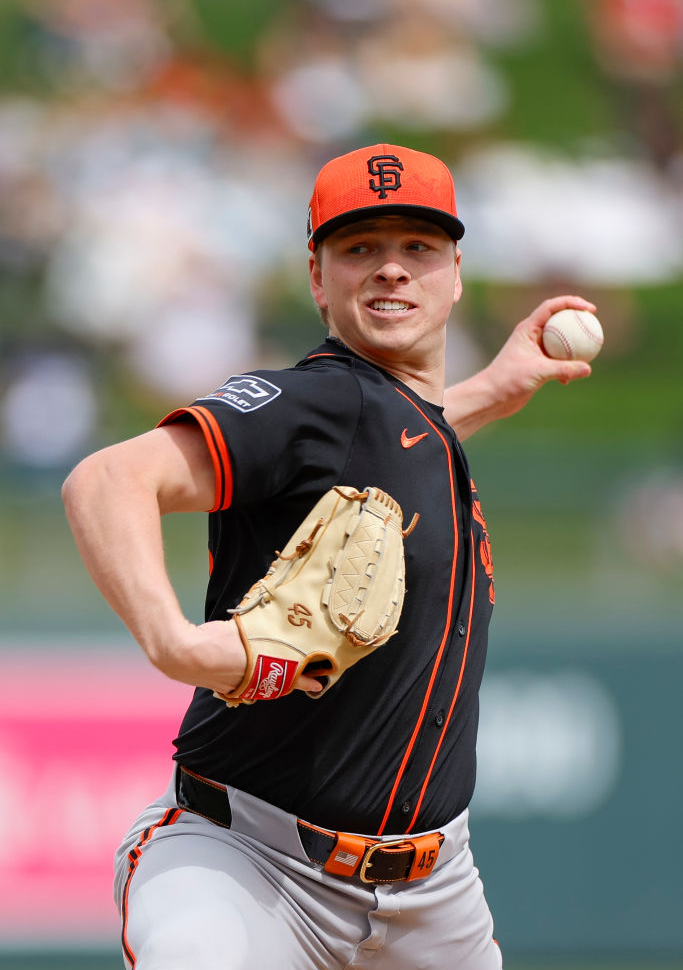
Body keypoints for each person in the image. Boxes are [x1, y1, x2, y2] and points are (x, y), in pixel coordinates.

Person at [62, 143, 596, 970]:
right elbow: (106, 481)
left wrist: (489, 392)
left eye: (416, 248)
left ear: (456, 273)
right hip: (246, 870)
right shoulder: (314, 398)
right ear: (318, 279)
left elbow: (396, 439)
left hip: (435, 895)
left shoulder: (410, 427)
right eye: (358, 249)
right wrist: (172, 642)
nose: (389, 269)